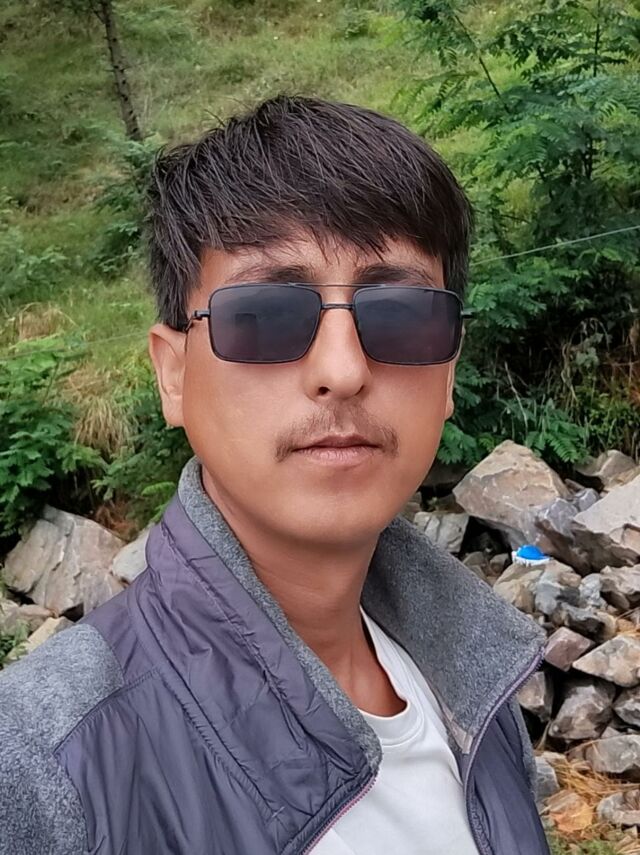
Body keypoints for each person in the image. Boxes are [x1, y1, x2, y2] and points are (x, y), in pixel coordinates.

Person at [0, 95, 550, 855]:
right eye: (263, 315)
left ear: (448, 371)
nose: (342, 369)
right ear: (173, 375)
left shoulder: (476, 690)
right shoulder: (39, 768)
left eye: (400, 312)